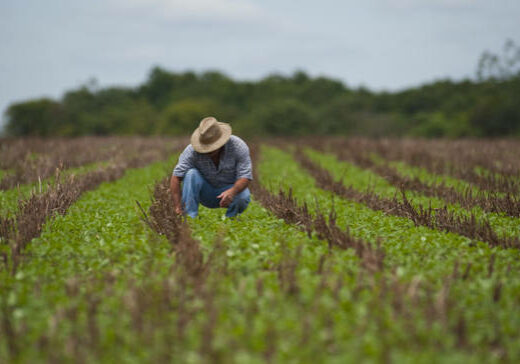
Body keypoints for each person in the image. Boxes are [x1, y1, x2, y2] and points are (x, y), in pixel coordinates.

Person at [170, 116, 252, 218]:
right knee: (191, 174)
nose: (208, 151)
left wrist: (232, 191)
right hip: (206, 192)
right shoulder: (191, 150)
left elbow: (245, 176)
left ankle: (230, 219)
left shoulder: (238, 146)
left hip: (230, 190)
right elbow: (176, 177)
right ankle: (190, 217)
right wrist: (177, 206)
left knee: (243, 196)